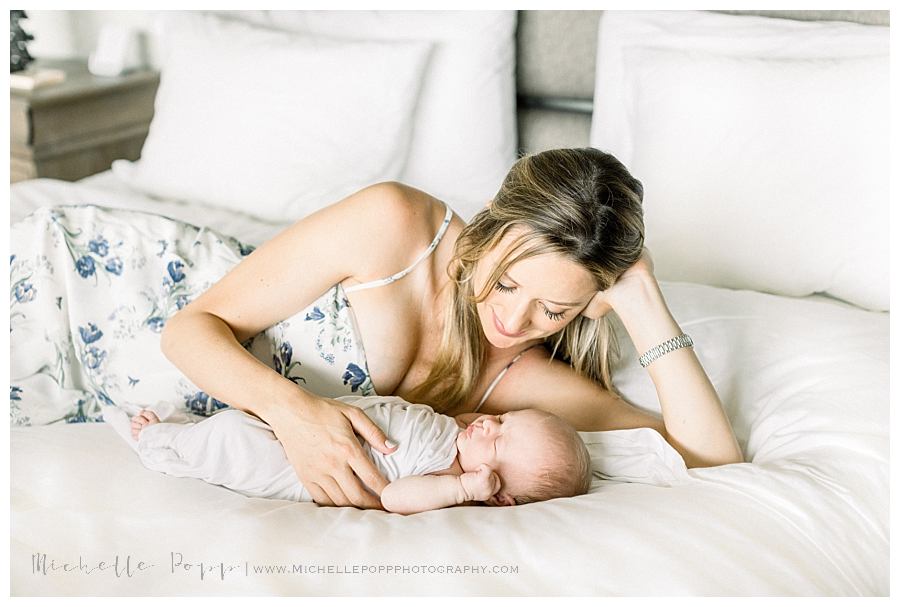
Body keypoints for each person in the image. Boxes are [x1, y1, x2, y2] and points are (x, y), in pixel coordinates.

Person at [159, 147, 744, 509]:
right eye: (509, 283)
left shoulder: (520, 384)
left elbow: (711, 461)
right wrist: (295, 416)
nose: (512, 323)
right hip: (132, 286)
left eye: (553, 310)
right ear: (490, 223)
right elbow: (188, 329)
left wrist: (641, 298)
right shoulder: (396, 225)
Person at [127, 395, 593, 514]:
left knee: (231, 439)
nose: (491, 424)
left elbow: (394, 499)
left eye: (501, 441)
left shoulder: (450, 480)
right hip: (307, 430)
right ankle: (186, 432)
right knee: (237, 422)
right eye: (505, 418)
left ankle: (162, 444)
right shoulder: (457, 434)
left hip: (301, 471)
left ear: (500, 495)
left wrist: (461, 487)